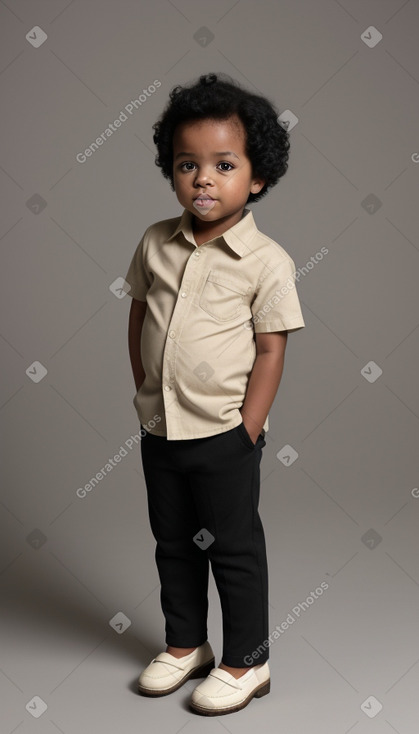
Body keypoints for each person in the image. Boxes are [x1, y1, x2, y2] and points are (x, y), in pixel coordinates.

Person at [125, 72, 305, 716]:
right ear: (171, 171)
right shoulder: (154, 242)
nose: (203, 178)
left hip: (225, 435)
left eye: (223, 165)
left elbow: (270, 349)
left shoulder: (267, 262)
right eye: (187, 164)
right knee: (172, 540)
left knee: (231, 547)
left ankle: (245, 661)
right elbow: (140, 318)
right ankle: (185, 645)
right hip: (160, 428)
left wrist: (247, 430)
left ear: (256, 178)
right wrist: (146, 394)